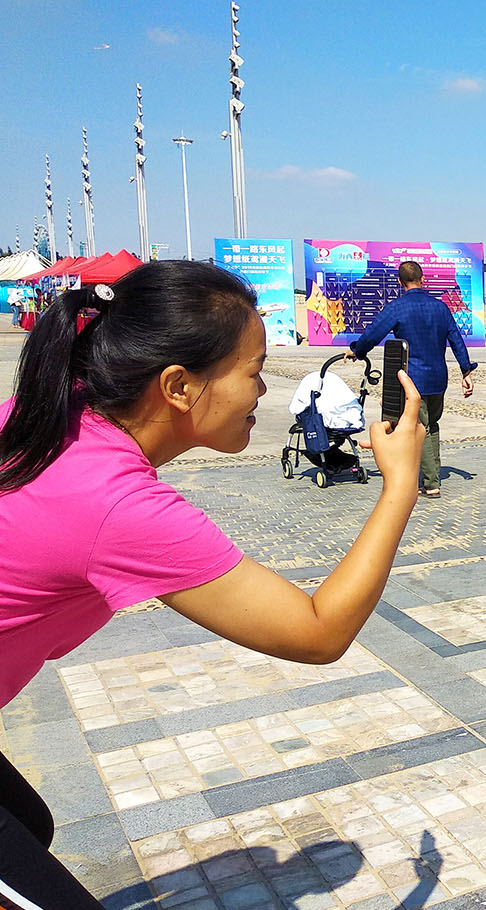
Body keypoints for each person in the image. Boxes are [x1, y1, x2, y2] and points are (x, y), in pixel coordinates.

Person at [0, 261, 425, 907]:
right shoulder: (114, 504)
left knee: (31, 826)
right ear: (178, 385)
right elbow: (317, 633)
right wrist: (400, 487)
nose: (263, 391)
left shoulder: (49, 414)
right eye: (254, 371)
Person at [348, 261, 476, 499]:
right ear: (423, 279)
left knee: (421, 428)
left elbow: (373, 334)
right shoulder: (440, 308)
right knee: (431, 426)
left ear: (400, 282)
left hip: (412, 380)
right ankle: (431, 476)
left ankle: (430, 483)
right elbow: (457, 340)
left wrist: (357, 350)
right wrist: (466, 371)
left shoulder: (397, 308)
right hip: (438, 378)